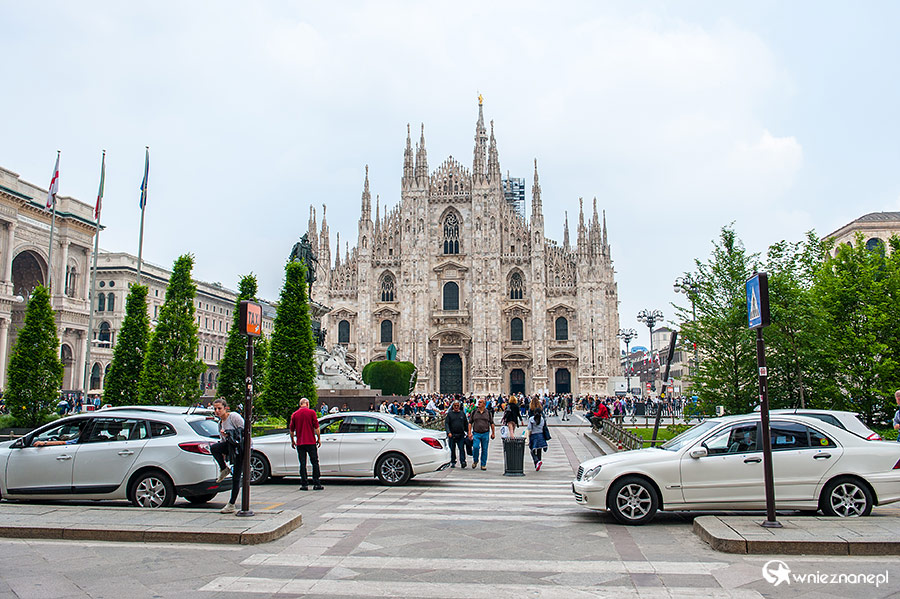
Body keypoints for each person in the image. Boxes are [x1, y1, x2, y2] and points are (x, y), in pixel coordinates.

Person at [210, 398, 246, 514]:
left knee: (236, 477)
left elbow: (243, 431)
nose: (217, 411)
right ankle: (223, 468)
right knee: (214, 447)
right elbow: (223, 443)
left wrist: (229, 434)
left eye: (219, 408)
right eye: (215, 409)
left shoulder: (233, 417)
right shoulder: (220, 423)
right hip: (231, 448)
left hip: (240, 448)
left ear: (225, 408)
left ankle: (231, 503)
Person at [289, 397, 323, 490]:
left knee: (302, 463)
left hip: (300, 443)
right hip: (311, 441)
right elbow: (317, 427)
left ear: (300, 404)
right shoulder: (312, 413)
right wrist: (319, 438)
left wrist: (293, 441)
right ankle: (316, 483)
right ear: (307, 404)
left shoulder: (295, 414)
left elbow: (291, 430)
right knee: (314, 462)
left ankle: (304, 484)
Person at [468, 398, 495, 470]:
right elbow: (470, 423)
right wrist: (469, 432)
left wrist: (493, 433)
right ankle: (475, 460)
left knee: (485, 449)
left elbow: (492, 423)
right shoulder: (474, 412)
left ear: (484, 404)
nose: (478, 403)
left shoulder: (488, 412)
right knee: (475, 447)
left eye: (480, 402)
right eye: (478, 402)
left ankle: (483, 464)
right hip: (476, 433)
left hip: (485, 433)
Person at [444, 400, 468, 468]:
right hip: (452, 434)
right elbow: (446, 424)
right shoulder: (450, 414)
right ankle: (453, 461)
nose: (456, 407)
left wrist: (468, 432)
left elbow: (465, 423)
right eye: (455, 406)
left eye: (457, 406)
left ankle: (463, 461)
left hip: (461, 434)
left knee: (461, 448)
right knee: (452, 449)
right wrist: (448, 432)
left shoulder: (462, 414)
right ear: (453, 406)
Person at [527, 397, 548, 470]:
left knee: (532, 449)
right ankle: (538, 461)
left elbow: (529, 428)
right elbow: (544, 423)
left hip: (533, 434)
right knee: (539, 449)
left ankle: (536, 461)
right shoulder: (542, 418)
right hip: (541, 434)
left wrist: (528, 435)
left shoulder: (531, 417)